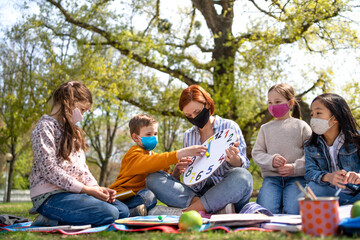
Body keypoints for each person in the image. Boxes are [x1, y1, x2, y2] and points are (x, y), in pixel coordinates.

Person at [29, 81, 129, 227]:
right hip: (50, 197)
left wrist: (96, 188)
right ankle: (49, 219)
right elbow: (49, 169)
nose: (81, 116)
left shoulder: (74, 132)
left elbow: (82, 168)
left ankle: (60, 218)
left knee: (122, 210)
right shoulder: (45, 127)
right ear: (69, 102)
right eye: (82, 110)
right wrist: (87, 190)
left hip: (75, 194)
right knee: (110, 213)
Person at [146, 85, 253, 215]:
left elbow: (244, 165)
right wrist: (177, 172)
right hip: (197, 193)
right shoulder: (188, 136)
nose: (194, 118)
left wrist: (235, 160)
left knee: (242, 176)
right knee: (153, 178)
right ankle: (212, 209)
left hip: (226, 189)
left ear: (207, 104)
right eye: (188, 115)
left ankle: (186, 212)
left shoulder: (229, 126)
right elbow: (189, 177)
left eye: (197, 112)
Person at [109, 114, 207, 216]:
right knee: (148, 196)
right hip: (124, 197)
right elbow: (149, 163)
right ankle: (134, 210)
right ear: (135, 137)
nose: (153, 137)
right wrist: (181, 153)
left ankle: (141, 211)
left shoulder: (158, 159)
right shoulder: (133, 154)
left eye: (155, 134)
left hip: (144, 197)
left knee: (149, 197)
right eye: (148, 134)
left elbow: (166, 188)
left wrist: (176, 173)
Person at [252, 83, 312, 214]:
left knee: (294, 211)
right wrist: (271, 160)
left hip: (296, 178)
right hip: (272, 179)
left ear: (290, 103)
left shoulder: (302, 126)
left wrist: (295, 168)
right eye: (270, 102)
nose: (273, 106)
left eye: (277, 102)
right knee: (266, 212)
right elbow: (257, 153)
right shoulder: (265, 129)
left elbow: (312, 153)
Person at [305, 93, 360, 205]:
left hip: (356, 194)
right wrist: (328, 177)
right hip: (329, 196)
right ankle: (346, 210)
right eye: (312, 114)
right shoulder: (310, 145)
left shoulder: (357, 140)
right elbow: (309, 172)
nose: (313, 118)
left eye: (318, 113)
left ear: (335, 118)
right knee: (312, 188)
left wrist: (358, 176)